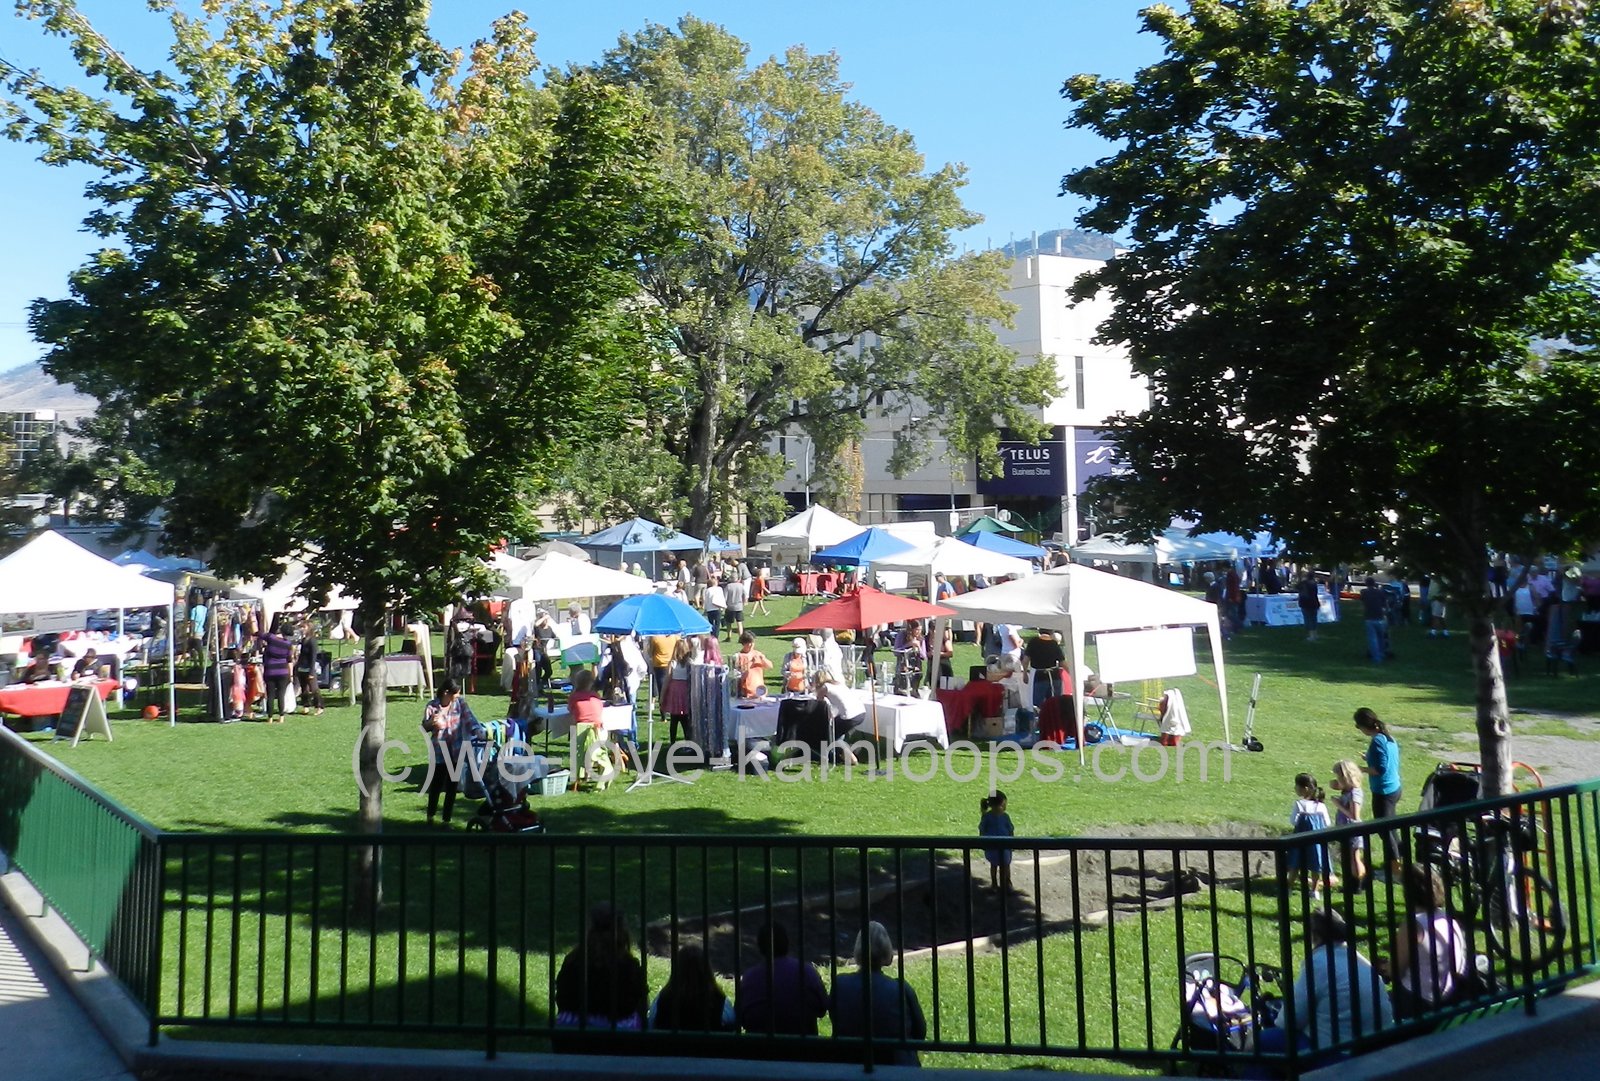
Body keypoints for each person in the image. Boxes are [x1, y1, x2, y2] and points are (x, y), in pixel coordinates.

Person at [1257, 908, 1393, 1066]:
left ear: (1315, 935)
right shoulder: (1357, 958)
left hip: (1338, 1053)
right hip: (1375, 1046)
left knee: (1259, 1042)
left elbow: (1290, 1020)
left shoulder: (1319, 963)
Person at [829, 921, 927, 1066]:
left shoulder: (840, 985)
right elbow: (920, 1033)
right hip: (896, 1066)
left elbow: (836, 1021)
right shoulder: (900, 989)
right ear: (886, 950)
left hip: (851, 1064)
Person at [1382, 864, 1466, 1018]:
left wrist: (1383, 967)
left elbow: (1396, 970)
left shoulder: (1414, 925)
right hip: (1449, 996)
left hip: (1418, 1001)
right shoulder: (1447, 919)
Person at [554, 903, 649, 1037]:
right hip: (619, 1033)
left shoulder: (574, 960)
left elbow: (562, 998)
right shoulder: (628, 964)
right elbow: (640, 1003)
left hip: (573, 1030)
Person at [737, 922, 828, 1036]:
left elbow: (740, 1016)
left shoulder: (749, 978)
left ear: (760, 948)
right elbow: (822, 1008)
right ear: (787, 943)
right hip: (802, 1045)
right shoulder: (807, 972)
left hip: (760, 1045)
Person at [421, 679, 480, 825]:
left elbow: (470, 720)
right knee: (436, 784)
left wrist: (478, 730)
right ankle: (430, 816)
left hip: (456, 750)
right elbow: (424, 727)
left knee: (452, 786)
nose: (458, 696)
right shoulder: (432, 706)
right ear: (446, 692)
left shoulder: (460, 704)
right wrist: (431, 722)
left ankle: (446, 820)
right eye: (456, 693)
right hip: (439, 751)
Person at [1355, 708, 1403, 875]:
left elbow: (1380, 769)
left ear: (1364, 726)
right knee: (1391, 829)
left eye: (1358, 726)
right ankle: (1399, 860)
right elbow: (1386, 759)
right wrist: (1368, 758)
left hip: (1384, 792)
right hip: (1394, 788)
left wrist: (1360, 769)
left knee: (1385, 830)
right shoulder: (1388, 737)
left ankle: (1396, 870)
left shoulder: (1377, 741)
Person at [649, 943, 736, 1032]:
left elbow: (651, 1024)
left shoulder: (664, 998)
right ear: (707, 970)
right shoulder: (719, 999)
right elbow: (731, 1025)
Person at [1287, 772, 1334, 892]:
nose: (1295, 788)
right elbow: (1327, 823)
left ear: (1305, 788)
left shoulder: (1299, 804)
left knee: (1296, 863)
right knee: (1316, 865)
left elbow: (1293, 821)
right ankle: (1314, 890)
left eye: (1297, 786)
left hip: (1300, 839)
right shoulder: (1321, 806)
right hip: (1316, 841)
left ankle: (1288, 888)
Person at [813, 670, 866, 764]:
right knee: (838, 730)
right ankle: (843, 754)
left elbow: (818, 703)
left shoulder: (825, 687)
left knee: (831, 735)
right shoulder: (838, 684)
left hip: (849, 716)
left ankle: (851, 758)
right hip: (860, 712)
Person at [1330, 759, 1368, 888]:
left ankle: (1359, 884)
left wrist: (1338, 805)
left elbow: (1354, 815)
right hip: (1344, 828)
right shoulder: (1348, 790)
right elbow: (1336, 785)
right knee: (1347, 857)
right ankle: (1350, 883)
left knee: (1354, 857)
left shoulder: (1354, 793)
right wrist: (1335, 785)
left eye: (1338, 776)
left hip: (1352, 828)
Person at [258, 615, 294, 723]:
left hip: (270, 671)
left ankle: (270, 717)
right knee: (281, 695)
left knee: (270, 695)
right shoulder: (288, 644)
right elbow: (289, 660)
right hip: (283, 671)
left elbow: (260, 634)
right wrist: (291, 674)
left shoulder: (271, 638)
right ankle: (281, 717)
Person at [979, 791, 1015, 894]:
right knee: (1005, 865)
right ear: (1002, 803)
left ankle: (996, 884)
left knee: (994, 865)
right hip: (1003, 845)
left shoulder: (987, 816)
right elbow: (1010, 829)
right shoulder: (1004, 816)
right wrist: (1012, 841)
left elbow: (982, 829)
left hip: (993, 845)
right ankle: (1006, 883)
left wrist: (982, 841)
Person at [661, 637, 695, 745]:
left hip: (674, 691)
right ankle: (688, 741)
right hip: (685, 691)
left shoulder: (673, 663)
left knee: (674, 719)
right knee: (686, 719)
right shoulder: (690, 663)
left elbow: (667, 679)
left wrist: (662, 695)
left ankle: (673, 742)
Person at [1022, 629, 1067, 707]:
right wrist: (1072, 674)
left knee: (1038, 705)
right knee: (1055, 703)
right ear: (1051, 632)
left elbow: (1025, 661)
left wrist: (1025, 673)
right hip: (1054, 676)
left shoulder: (1033, 642)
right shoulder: (1054, 644)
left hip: (1040, 677)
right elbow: (1062, 663)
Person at [294, 617, 324, 715]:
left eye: (304, 627)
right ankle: (306, 706)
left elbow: (313, 657)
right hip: (301, 667)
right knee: (304, 689)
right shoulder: (303, 640)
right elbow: (301, 655)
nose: (302, 629)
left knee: (314, 689)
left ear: (309, 628)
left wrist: (311, 671)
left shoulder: (312, 641)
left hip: (309, 668)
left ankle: (319, 706)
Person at [731, 631, 771, 698]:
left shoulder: (758, 654)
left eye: (753, 642)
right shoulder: (738, 656)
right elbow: (735, 675)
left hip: (759, 690)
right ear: (744, 643)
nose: (752, 645)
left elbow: (770, 666)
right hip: (745, 692)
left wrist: (763, 659)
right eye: (749, 643)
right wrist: (749, 663)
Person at [1359, 578, 1390, 662]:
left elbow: (1362, 603)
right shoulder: (1380, 592)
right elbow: (1385, 604)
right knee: (1381, 637)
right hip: (1380, 616)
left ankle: (1376, 657)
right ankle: (1382, 653)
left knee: (1372, 638)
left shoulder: (1364, 592)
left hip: (1369, 617)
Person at [1297, 573, 1321, 641]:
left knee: (1308, 620)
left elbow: (1296, 587)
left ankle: (1311, 636)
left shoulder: (1304, 583)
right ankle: (1315, 634)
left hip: (1306, 603)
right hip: (1314, 603)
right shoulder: (1314, 583)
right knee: (1314, 619)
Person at [724, 575, 748, 641]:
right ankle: (741, 637)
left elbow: (725, 597)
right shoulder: (741, 586)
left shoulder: (728, 586)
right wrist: (744, 602)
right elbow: (745, 595)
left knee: (728, 623)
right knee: (739, 622)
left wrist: (724, 605)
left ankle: (729, 636)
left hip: (730, 607)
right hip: (739, 606)